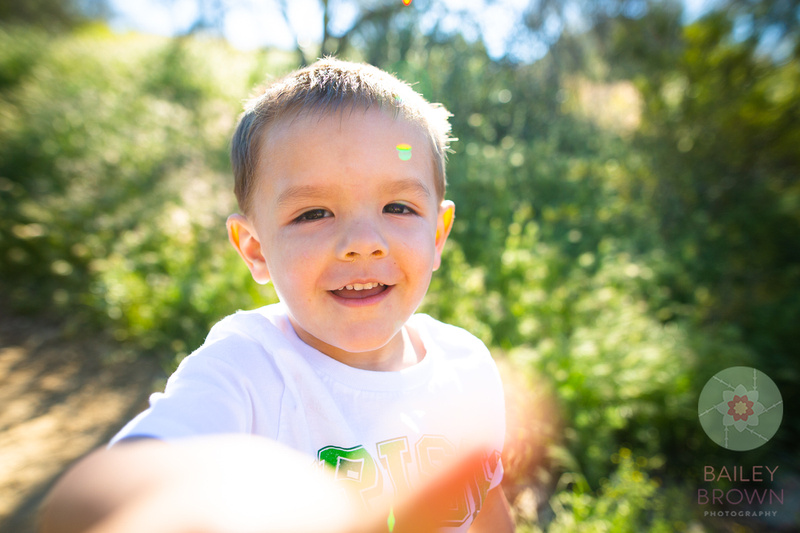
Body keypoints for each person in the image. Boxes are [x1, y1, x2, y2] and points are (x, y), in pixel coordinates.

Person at [40, 58, 513, 533]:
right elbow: (92, 501)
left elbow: (487, 505)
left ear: (436, 235)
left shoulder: (467, 364)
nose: (363, 241)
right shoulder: (246, 371)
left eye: (398, 206)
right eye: (313, 213)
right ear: (255, 248)